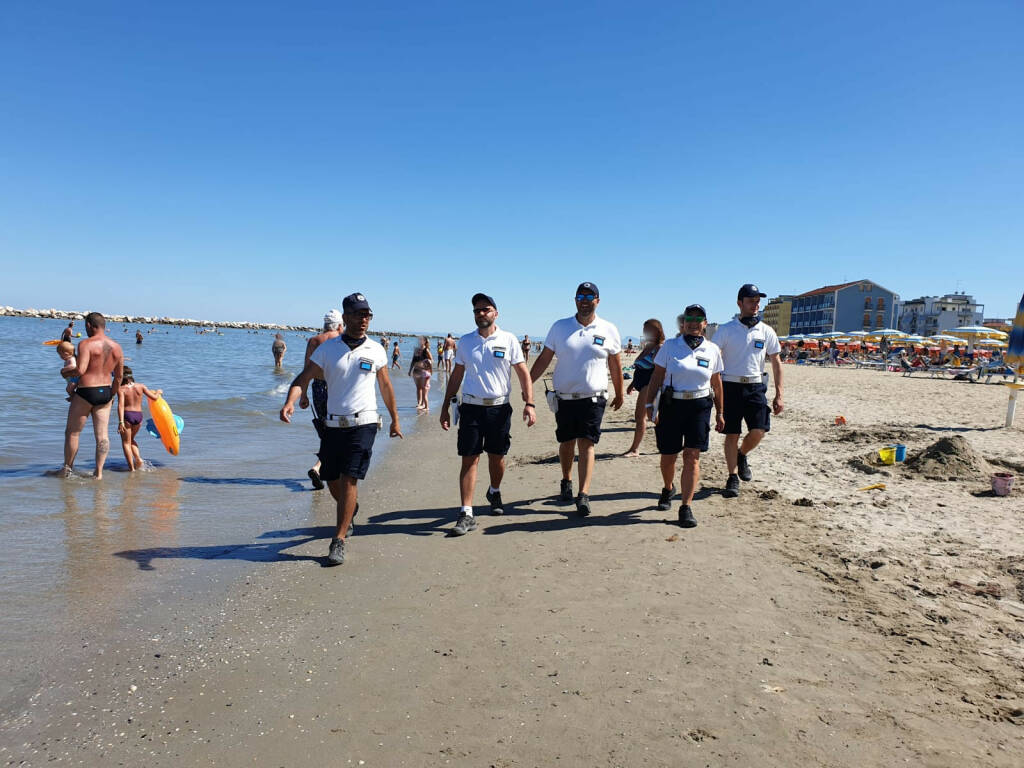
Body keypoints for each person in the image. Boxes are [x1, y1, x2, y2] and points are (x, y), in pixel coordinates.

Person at [280, 293, 402, 566]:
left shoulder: (376, 350)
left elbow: (385, 386)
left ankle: (339, 540)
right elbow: (304, 377)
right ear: (345, 318)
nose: (363, 320)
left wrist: (395, 418)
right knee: (332, 477)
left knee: (349, 479)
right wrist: (290, 401)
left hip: (365, 422)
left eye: (367, 315)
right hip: (333, 423)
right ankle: (350, 509)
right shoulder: (328, 348)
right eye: (358, 315)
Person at [439, 293, 536, 536]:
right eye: (477, 310)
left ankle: (494, 491)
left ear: (496, 313)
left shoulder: (508, 339)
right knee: (469, 458)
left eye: (486, 309)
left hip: (499, 408)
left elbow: (523, 373)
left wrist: (530, 402)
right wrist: (444, 408)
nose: (481, 313)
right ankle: (466, 513)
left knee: (497, 457)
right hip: (471, 407)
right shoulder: (466, 342)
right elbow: (456, 375)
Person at [529, 281, 624, 516]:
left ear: (597, 301)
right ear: (575, 300)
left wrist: (621, 392)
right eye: (580, 295)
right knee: (566, 443)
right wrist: (526, 383)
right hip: (564, 397)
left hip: (594, 397)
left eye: (589, 296)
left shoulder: (608, 328)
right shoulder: (560, 327)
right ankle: (566, 480)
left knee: (587, 443)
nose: (584, 299)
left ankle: (583, 494)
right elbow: (544, 358)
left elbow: (615, 364)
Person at [646, 305, 724, 527]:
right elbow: (657, 377)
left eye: (698, 319)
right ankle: (668, 488)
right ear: (683, 323)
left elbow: (716, 383)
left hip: (700, 406)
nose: (693, 322)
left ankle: (685, 507)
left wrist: (720, 412)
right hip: (672, 405)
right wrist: (649, 403)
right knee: (669, 455)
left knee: (692, 455)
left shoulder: (712, 350)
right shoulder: (670, 346)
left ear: (705, 323)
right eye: (689, 318)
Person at [714, 284, 783, 498]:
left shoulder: (766, 331)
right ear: (739, 303)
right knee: (732, 433)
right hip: (730, 386)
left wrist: (779, 393)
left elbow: (776, 361)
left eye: (757, 301)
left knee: (759, 430)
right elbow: (713, 360)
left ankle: (742, 454)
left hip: (755, 386)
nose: (756, 305)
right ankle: (732, 477)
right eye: (751, 300)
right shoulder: (725, 330)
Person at [63, 312, 124, 479]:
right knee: (102, 436)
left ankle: (67, 470)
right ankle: (99, 473)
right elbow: (119, 377)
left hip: (86, 391)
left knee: (73, 433)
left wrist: (64, 371)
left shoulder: (86, 344)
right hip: (105, 392)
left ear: (89, 325)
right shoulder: (117, 347)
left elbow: (80, 370)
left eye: (86, 327)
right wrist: (111, 394)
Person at [300, 310, 344, 490]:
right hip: (336, 387)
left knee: (325, 428)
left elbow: (306, 370)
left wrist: (303, 395)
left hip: (317, 387)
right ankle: (320, 467)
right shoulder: (341, 340)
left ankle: (323, 466)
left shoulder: (313, 341)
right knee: (339, 430)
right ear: (340, 324)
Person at [623, 319, 665, 457]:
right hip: (640, 383)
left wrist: (654, 389)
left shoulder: (659, 347)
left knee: (641, 416)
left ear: (657, 331)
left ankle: (635, 449)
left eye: (649, 329)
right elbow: (639, 368)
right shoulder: (648, 346)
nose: (645, 332)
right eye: (644, 329)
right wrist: (632, 384)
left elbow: (658, 371)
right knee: (652, 417)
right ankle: (666, 442)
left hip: (649, 384)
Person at [115, 366, 163, 471]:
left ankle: (131, 468)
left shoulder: (121, 389)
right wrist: (158, 392)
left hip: (127, 416)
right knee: (131, 440)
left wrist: (121, 422)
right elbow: (154, 398)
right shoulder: (141, 386)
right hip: (139, 416)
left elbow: (120, 406)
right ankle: (138, 459)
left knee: (126, 443)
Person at [410, 336, 434, 410]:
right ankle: (419, 403)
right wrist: (410, 370)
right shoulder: (416, 349)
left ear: (424, 341)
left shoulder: (426, 350)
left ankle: (424, 405)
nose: (419, 341)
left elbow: (431, 360)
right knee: (418, 388)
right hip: (416, 371)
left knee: (423, 388)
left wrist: (426, 366)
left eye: (421, 340)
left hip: (423, 371)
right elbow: (413, 360)